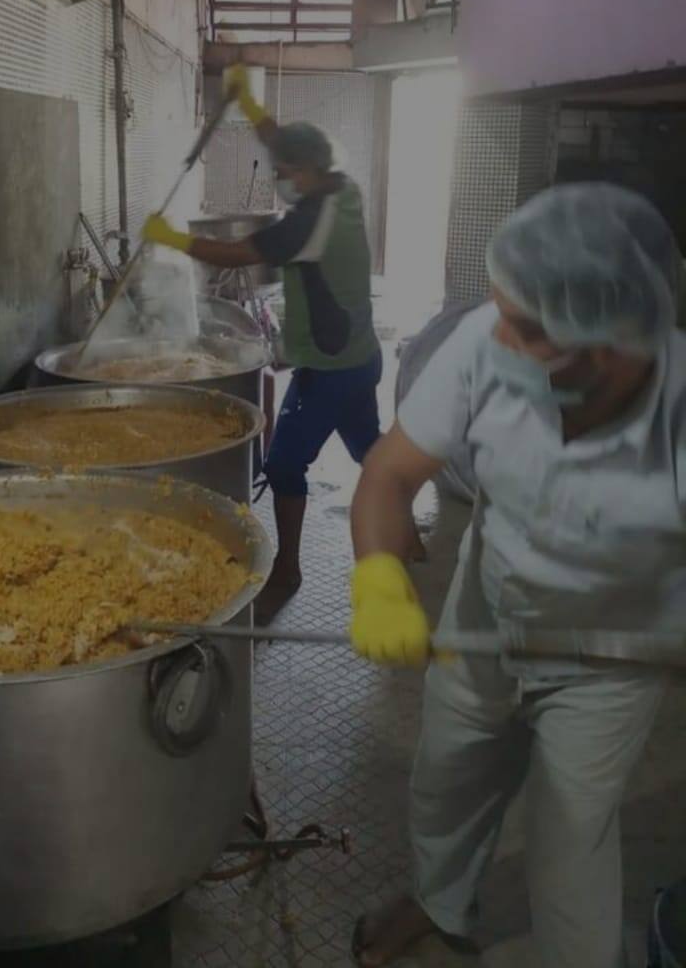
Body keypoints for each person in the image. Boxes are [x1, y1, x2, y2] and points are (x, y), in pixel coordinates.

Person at [346, 182, 686, 968]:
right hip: (485, 609)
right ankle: (438, 903)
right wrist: (378, 577)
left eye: (527, 328)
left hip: (610, 655)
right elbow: (390, 473)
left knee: (570, 839)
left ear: (615, 342)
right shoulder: (483, 341)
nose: (497, 336)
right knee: (448, 775)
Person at [143, 64, 383, 624]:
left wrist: (174, 238)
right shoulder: (340, 187)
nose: (278, 176)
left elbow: (237, 254)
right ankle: (406, 542)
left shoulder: (310, 224)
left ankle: (290, 568)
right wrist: (248, 103)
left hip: (328, 366)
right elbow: (284, 143)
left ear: (304, 173)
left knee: (281, 467)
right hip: (362, 354)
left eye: (283, 172)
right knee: (370, 449)